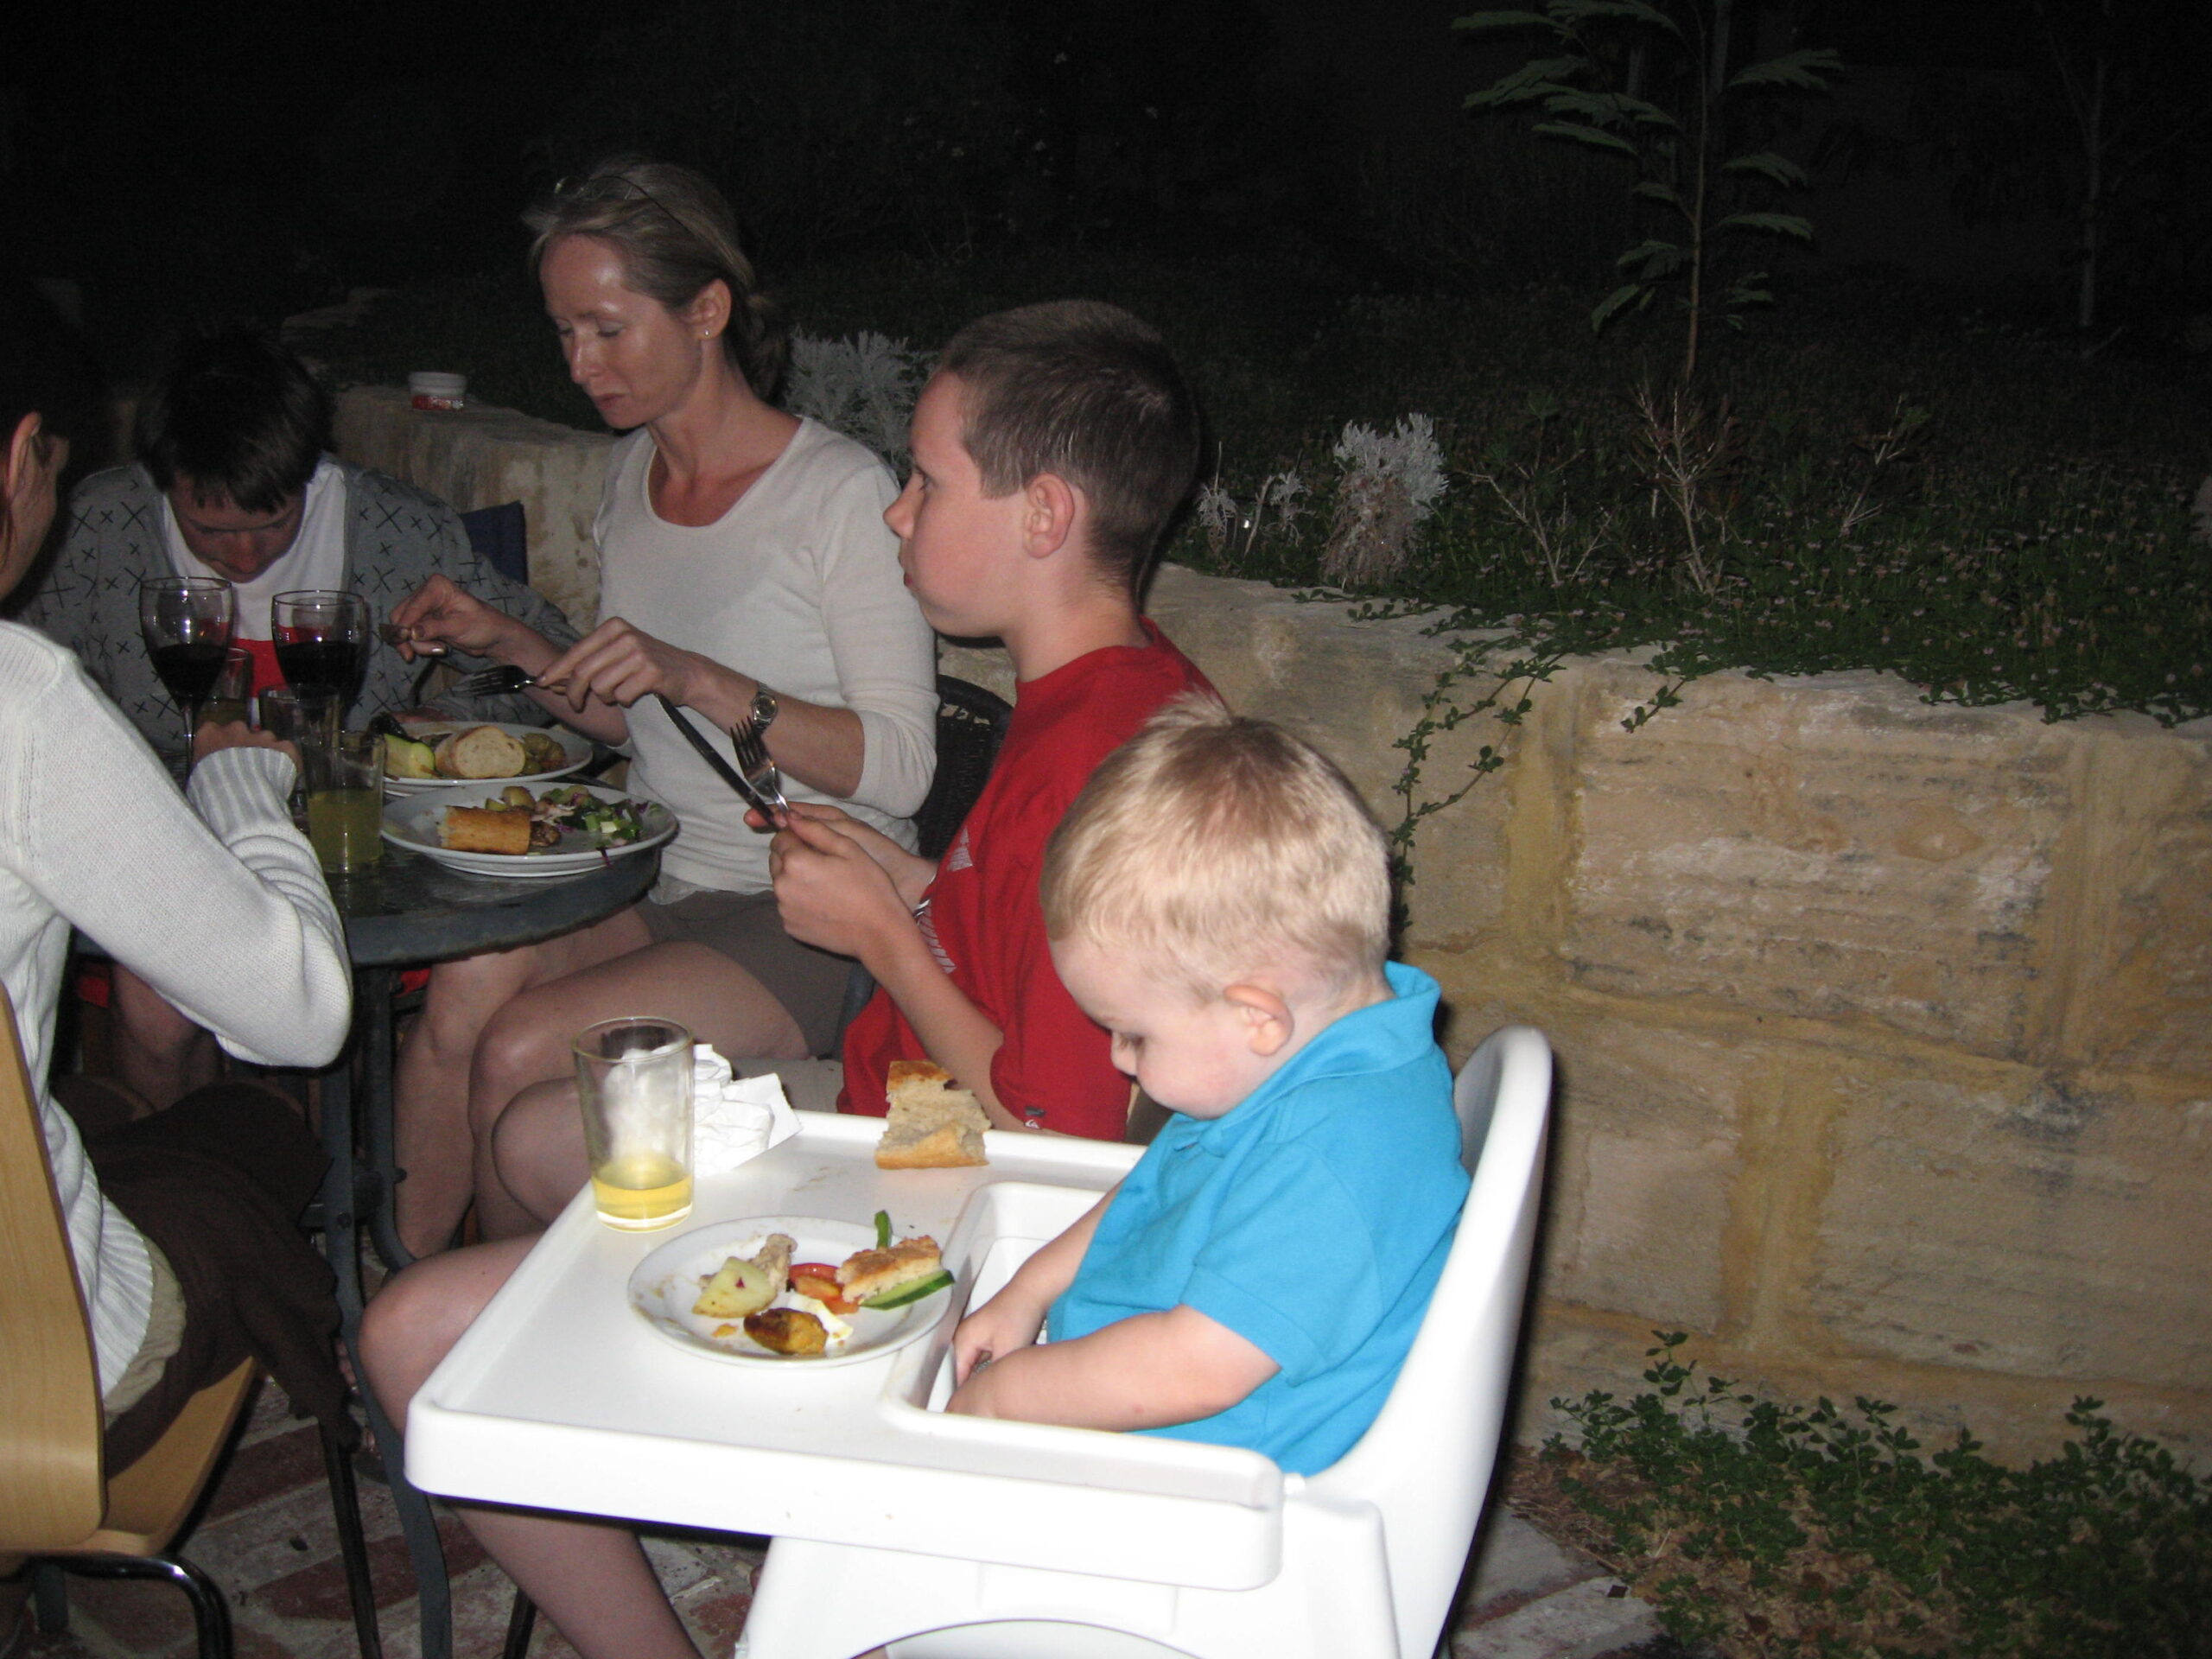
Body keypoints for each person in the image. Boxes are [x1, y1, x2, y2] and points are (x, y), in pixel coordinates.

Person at [359, 298, 1213, 1659]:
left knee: (413, 1335)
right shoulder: (1109, 691)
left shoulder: (1103, 763)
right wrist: (911, 884)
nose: (896, 513)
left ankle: (704, 1480)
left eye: (927, 482)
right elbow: (1031, 940)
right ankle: (679, 1430)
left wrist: (881, 938)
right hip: (901, 1120)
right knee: (533, 1136)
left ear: (1045, 515)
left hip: (945, 1193)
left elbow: (1061, 1129)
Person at [382, 158, 936, 1256]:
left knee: (522, 1049)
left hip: (807, 907)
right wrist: (512, 644)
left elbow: (902, 766)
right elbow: (630, 719)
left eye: (607, 329)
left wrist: (698, 676)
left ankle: (508, 1323)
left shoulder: (835, 492)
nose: (579, 364)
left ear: (706, 311)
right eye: (563, 332)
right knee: (463, 994)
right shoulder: (629, 475)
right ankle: (406, 1295)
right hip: (659, 878)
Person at [10, 321, 578, 1110]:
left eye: (273, 524)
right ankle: (199, 1164)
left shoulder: (399, 531)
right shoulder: (99, 530)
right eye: (209, 532)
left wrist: (439, 716)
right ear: (162, 484)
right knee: (154, 999)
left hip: (356, 859)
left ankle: (308, 1156)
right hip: (168, 851)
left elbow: (556, 675)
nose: (245, 559)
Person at [0, 291, 356, 1484]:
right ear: (21, 458)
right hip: (36, 1382)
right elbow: (301, 1016)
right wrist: (246, 784)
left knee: (116, 1114)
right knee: (247, 1139)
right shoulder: (20, 703)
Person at [947, 697, 1471, 1474]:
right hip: (1145, 1417)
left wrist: (1005, 1397)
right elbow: (1153, 1191)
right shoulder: (1286, 1064)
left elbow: (1196, 1369)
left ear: (1255, 1016)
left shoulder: (1343, 1147)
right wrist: (1029, 1289)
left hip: (1205, 1477)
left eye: (1134, 1033)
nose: (1120, 1059)